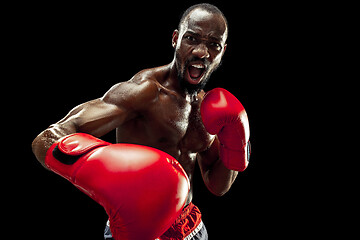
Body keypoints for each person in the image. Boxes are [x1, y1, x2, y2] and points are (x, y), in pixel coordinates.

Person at [32, 3, 251, 240]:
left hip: (192, 229)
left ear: (223, 51)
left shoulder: (209, 108)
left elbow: (217, 185)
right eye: (192, 38)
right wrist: (98, 165)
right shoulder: (146, 92)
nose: (201, 52)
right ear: (175, 39)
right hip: (137, 231)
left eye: (213, 45)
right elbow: (48, 138)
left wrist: (237, 145)